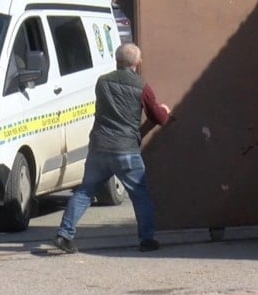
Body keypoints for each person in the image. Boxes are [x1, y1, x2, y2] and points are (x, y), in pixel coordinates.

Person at [52, 42, 171, 254]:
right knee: (140, 196)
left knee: (85, 192)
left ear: (117, 60)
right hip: (126, 151)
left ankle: (64, 234)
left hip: (99, 147)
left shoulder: (102, 82)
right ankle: (146, 240)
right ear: (138, 62)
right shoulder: (141, 87)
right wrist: (164, 110)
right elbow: (158, 118)